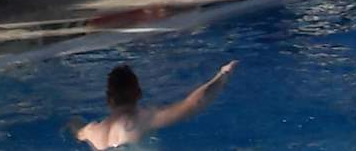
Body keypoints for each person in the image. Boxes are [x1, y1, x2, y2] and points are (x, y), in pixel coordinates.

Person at [70, 61, 236, 147]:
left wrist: (72, 122)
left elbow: (76, 129)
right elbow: (193, 104)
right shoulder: (143, 119)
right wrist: (223, 75)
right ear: (139, 93)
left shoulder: (91, 131)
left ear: (108, 98)